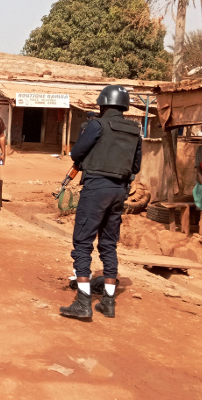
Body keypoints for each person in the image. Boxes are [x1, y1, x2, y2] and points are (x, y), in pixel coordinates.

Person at [60, 85, 142, 320]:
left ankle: (83, 303)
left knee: (82, 243)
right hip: (119, 192)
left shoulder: (97, 125)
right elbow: (136, 167)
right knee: (108, 244)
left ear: (103, 103)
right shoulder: (135, 130)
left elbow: (76, 154)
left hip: (96, 188)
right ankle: (108, 302)